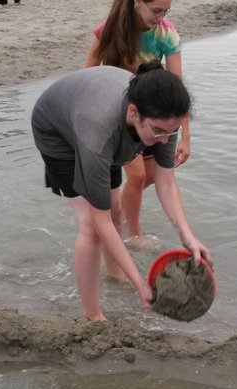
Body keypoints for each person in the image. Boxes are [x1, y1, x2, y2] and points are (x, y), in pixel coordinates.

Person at [32, 61, 211, 321]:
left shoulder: (163, 119)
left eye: (171, 132)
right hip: (58, 132)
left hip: (98, 114)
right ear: (134, 111)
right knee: (91, 225)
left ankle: (114, 275)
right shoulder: (98, 135)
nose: (164, 140)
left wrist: (188, 237)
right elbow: (100, 220)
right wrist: (140, 282)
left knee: (115, 208)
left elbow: (166, 182)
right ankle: (92, 315)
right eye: (158, 131)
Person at [85, 0, 189, 251]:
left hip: (152, 115)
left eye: (166, 11)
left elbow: (177, 86)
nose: (161, 17)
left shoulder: (166, 33)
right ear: (138, 2)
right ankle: (133, 235)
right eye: (156, 11)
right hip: (120, 117)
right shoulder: (111, 29)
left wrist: (186, 135)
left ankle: (118, 208)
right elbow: (87, 73)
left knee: (151, 177)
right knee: (138, 175)